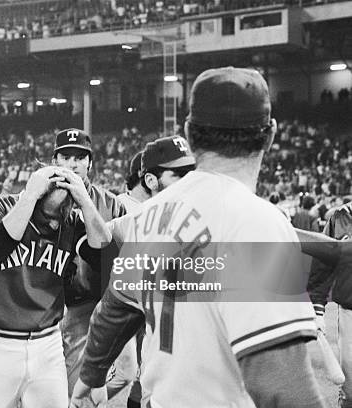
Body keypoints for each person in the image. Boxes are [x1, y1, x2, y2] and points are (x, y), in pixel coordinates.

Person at [70, 67, 326, 408]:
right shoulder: (258, 222)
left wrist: (91, 374)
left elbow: (114, 308)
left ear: (190, 134)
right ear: (271, 134)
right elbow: (280, 383)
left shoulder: (148, 215)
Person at [0, 166, 111, 408]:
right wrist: (30, 196)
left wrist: (86, 202)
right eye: (49, 216)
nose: (55, 224)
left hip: (48, 344)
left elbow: (105, 255)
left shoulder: (71, 220)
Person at [115, 136, 196, 407]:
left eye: (191, 173)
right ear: (149, 180)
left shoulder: (202, 215)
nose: (190, 182)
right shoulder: (129, 220)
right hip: (153, 347)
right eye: (179, 175)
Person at [51, 128, 128, 398]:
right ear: (55, 161)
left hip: (87, 308)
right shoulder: (39, 200)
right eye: (66, 157)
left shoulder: (110, 203)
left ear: (90, 162)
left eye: (79, 158)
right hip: (42, 308)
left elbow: (120, 260)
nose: (73, 164)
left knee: (82, 394)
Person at [308, 200, 352, 407]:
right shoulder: (340, 216)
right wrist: (317, 310)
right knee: (350, 390)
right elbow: (322, 266)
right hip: (350, 313)